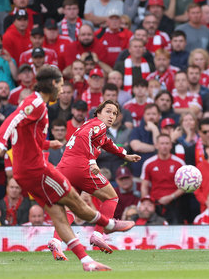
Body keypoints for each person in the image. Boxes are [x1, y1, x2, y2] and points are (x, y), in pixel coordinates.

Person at [0, 66, 134, 271]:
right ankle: (105, 227)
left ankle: (80, 257)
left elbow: (29, 138)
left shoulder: (42, 107)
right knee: (79, 201)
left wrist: (50, 145)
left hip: (34, 170)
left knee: (61, 213)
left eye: (114, 113)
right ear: (52, 83)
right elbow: (12, 120)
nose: (62, 89)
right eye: (60, 84)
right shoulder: (39, 104)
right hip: (39, 169)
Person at [48, 100, 141, 258]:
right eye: (108, 111)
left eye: (114, 114)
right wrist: (91, 161)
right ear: (98, 113)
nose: (111, 116)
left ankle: (56, 241)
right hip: (80, 166)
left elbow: (109, 144)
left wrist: (126, 155)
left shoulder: (93, 128)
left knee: (69, 209)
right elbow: (86, 137)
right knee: (111, 197)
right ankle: (98, 235)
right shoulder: (99, 125)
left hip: (64, 167)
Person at [140, 134, 186, 224]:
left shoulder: (179, 163)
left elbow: (184, 186)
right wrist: (146, 203)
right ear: (156, 145)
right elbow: (144, 186)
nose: (164, 146)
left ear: (171, 145)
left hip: (175, 202)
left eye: (167, 143)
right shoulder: (149, 163)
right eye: (162, 143)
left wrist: (171, 197)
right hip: (156, 204)